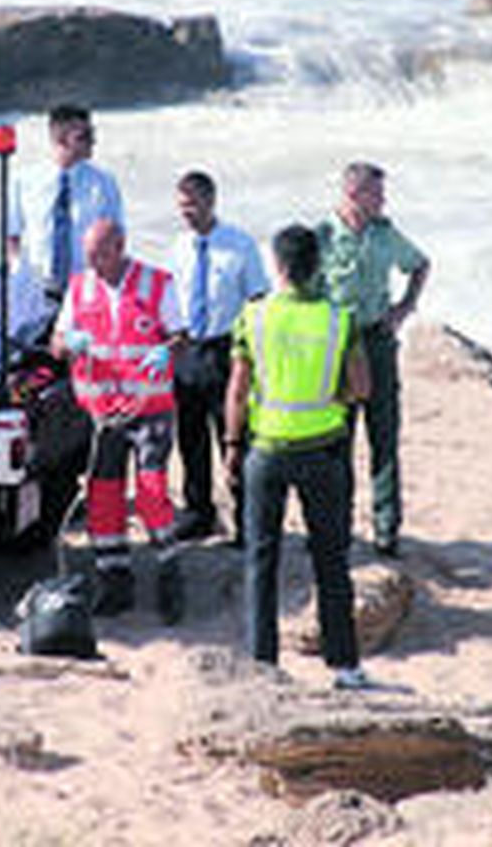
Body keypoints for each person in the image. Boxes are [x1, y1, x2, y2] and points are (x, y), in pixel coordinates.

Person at [225, 224, 376, 690]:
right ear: (318, 265)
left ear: (277, 265)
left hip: (266, 449)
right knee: (331, 561)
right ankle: (344, 666)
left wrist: (232, 446)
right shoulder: (340, 318)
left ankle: (263, 664)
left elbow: (237, 389)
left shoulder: (254, 317)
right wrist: (331, 394)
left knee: (260, 559)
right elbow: (362, 388)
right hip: (323, 449)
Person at [53, 218, 187, 622]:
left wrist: (167, 351)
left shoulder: (156, 284)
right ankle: (114, 580)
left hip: (149, 410)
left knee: (151, 494)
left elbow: (180, 337)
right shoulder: (80, 288)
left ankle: (169, 570)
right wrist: (68, 343)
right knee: (103, 498)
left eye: (100, 253)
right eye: (88, 254)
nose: (93, 262)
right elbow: (57, 342)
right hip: (103, 414)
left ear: (120, 246)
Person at [316, 162, 430, 558]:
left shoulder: (384, 234)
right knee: (337, 441)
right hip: (338, 348)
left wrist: (404, 308)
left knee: (384, 438)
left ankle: (387, 530)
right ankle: (340, 527)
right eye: (376, 194)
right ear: (353, 194)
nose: (383, 201)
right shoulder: (322, 237)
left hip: (378, 342)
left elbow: (419, 264)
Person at [171, 170, 269, 544]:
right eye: (181, 206)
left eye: (192, 205)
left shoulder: (240, 245)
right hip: (188, 349)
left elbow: (257, 300)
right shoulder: (178, 246)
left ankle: (247, 521)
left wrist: (252, 355)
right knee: (190, 437)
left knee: (234, 437)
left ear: (211, 201)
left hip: (226, 349)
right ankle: (199, 512)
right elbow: (173, 298)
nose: (186, 213)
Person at [7, 104, 125, 302]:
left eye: (92, 134)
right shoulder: (25, 180)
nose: (93, 142)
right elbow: (11, 235)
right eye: (83, 136)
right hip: (37, 289)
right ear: (60, 140)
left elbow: (117, 237)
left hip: (87, 288)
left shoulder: (104, 182)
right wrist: (18, 276)